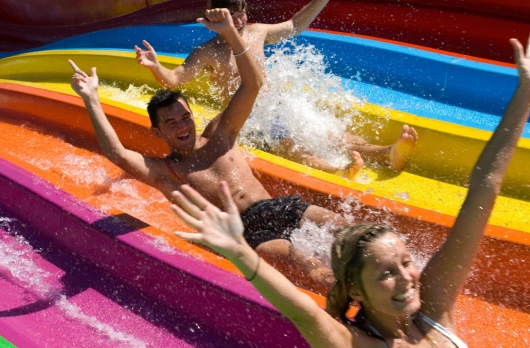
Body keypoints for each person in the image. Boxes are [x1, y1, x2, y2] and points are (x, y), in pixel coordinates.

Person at [169, 31, 530, 348]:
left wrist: (526, 95)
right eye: (387, 273)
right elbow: (299, 310)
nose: (407, 277)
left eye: (406, 262)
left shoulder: (434, 308)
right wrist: (238, 251)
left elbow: (483, 189)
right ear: (355, 290)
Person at [69, 8, 344, 295]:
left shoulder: (220, 134)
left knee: (348, 231)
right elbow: (117, 154)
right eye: (171, 123)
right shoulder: (166, 172)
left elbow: (252, 85)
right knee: (307, 266)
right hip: (245, 232)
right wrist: (91, 99)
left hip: (277, 207)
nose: (182, 126)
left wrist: (230, 33)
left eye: (185, 117)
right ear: (158, 132)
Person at [135, 0, 418, 179]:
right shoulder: (208, 52)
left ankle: (386, 153)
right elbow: (175, 79)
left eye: (240, 15)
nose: (238, 22)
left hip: (277, 107)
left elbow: (295, 25)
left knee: (330, 132)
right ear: (213, 21)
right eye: (231, 17)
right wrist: (155, 67)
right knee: (289, 143)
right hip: (248, 120)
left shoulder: (257, 32)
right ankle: (336, 171)